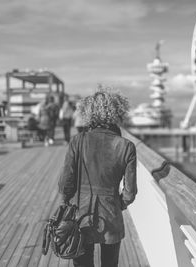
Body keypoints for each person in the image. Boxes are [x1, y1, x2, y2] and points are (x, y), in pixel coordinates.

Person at [58, 89, 137, 267]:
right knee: (110, 264)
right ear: (117, 112)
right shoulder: (126, 146)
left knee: (82, 263)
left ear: (88, 112)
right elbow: (130, 193)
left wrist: (65, 200)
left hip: (81, 213)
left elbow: (65, 183)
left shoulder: (78, 141)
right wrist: (119, 204)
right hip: (111, 213)